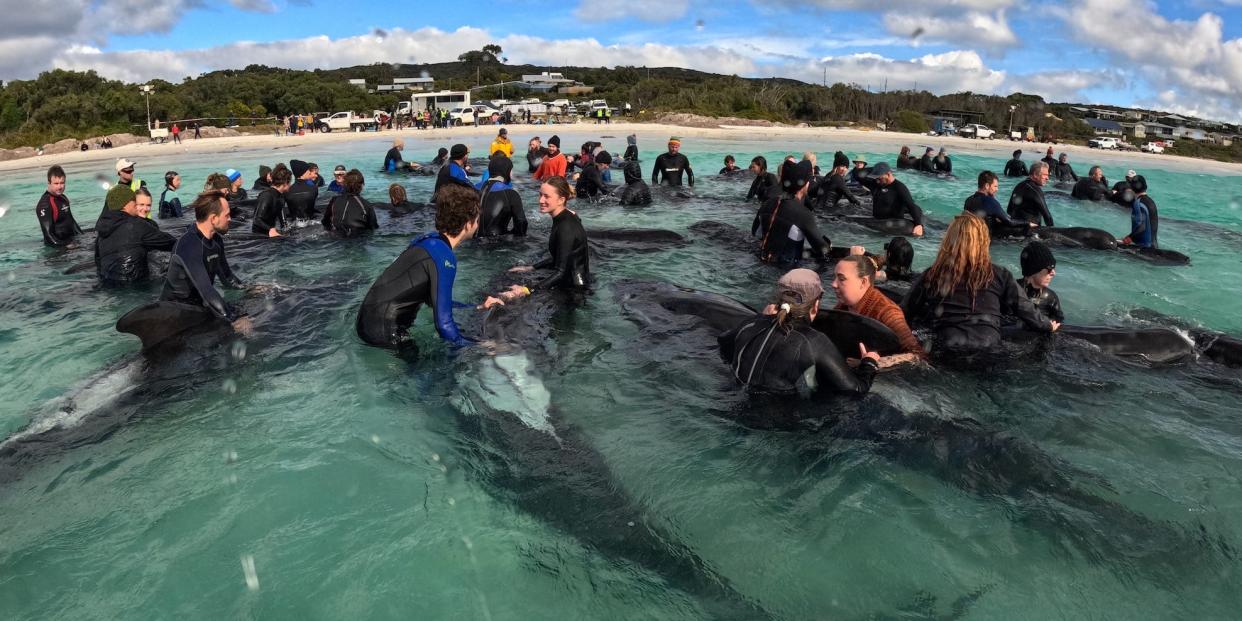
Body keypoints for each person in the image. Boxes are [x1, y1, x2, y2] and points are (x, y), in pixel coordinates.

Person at [355, 184, 503, 353]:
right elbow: (444, 326)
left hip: (366, 322)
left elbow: (433, 301)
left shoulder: (426, 240)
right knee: (439, 374)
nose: (478, 225)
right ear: (468, 224)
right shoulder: (444, 257)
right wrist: (482, 346)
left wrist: (476, 306)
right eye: (477, 220)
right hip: (383, 333)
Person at [901, 214, 1059, 352]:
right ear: (984, 242)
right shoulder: (999, 274)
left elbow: (904, 313)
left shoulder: (933, 274)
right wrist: (1047, 325)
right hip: (988, 347)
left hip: (947, 347)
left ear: (949, 241)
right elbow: (1025, 308)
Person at [718, 268, 880, 396]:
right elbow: (856, 390)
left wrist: (761, 318)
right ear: (816, 305)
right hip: (776, 424)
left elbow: (723, 344)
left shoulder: (750, 323)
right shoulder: (815, 342)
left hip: (734, 401)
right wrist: (869, 364)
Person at [161, 188, 251, 334]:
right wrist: (233, 319)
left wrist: (250, 288)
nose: (230, 219)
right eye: (227, 215)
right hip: (175, 316)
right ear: (213, 218)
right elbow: (207, 291)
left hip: (200, 307)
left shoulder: (216, 241)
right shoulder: (188, 245)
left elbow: (227, 278)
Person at [499, 176, 590, 299]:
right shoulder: (565, 217)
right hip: (570, 282)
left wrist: (527, 290)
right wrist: (531, 268)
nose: (541, 200)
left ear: (561, 200)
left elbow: (561, 272)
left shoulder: (566, 227)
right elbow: (562, 258)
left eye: (546, 196)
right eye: (540, 195)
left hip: (574, 291)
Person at [832, 255, 927, 364]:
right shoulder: (842, 307)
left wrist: (874, 363)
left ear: (863, 282)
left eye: (841, 279)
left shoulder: (887, 312)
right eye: (834, 278)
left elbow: (918, 355)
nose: (833, 284)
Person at [753, 160, 833, 264]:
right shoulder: (803, 214)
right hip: (786, 271)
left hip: (760, 261)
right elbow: (822, 250)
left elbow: (755, 232)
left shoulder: (767, 204)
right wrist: (828, 244)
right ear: (805, 185)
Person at [94, 187, 176, 284]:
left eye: (148, 205)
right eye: (138, 203)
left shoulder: (102, 231)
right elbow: (173, 243)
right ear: (127, 204)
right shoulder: (137, 225)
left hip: (108, 286)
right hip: (136, 286)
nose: (144, 209)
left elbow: (98, 263)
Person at [857, 163, 925, 237]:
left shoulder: (899, 187)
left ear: (888, 174)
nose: (877, 180)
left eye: (879, 178)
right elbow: (857, 174)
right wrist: (874, 169)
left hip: (893, 225)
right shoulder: (875, 184)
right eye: (876, 178)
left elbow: (911, 206)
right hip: (877, 222)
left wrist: (919, 224)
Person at [964, 170, 1033, 237]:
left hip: (973, 236)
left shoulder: (968, 200)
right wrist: (1027, 223)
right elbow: (1009, 222)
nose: (997, 189)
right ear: (987, 186)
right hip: (988, 238)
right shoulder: (989, 201)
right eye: (995, 186)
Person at [477, 155, 528, 237]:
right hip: (498, 244)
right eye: (511, 170)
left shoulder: (471, 188)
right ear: (507, 171)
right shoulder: (511, 194)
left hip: (471, 241)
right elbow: (521, 223)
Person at [35, 165, 83, 247]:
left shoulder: (63, 198)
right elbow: (48, 236)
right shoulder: (44, 204)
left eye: (62, 183)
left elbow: (72, 223)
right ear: (49, 183)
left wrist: (83, 237)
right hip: (57, 250)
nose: (60, 187)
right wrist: (66, 246)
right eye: (56, 183)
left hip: (70, 241)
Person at [1016, 242, 1064, 322]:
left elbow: (1059, 321)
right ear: (1033, 271)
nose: (1053, 273)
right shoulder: (1010, 290)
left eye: (1054, 268)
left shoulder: (1050, 297)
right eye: (1049, 269)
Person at [322, 169, 378, 237]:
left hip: (336, 237)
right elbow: (373, 227)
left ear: (344, 184)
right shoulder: (366, 204)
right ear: (361, 186)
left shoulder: (334, 200)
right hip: (358, 239)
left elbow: (325, 222)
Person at [1006, 161, 1054, 226]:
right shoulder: (1035, 190)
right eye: (1045, 175)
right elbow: (1047, 216)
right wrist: (1052, 231)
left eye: (1048, 175)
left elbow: (1009, 210)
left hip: (1015, 227)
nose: (1047, 178)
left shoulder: (1019, 186)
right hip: (1031, 231)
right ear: (1035, 174)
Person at [252, 166, 292, 237]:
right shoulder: (266, 195)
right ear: (285, 182)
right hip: (259, 235)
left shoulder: (281, 197)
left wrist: (288, 231)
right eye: (290, 182)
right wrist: (270, 229)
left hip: (271, 232)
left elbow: (283, 221)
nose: (290, 185)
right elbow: (257, 219)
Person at [1122, 175, 1158, 248]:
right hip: (1154, 246)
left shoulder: (1138, 203)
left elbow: (1141, 227)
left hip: (1143, 248)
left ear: (1132, 188)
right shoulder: (1151, 201)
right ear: (1145, 186)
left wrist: (1129, 238)